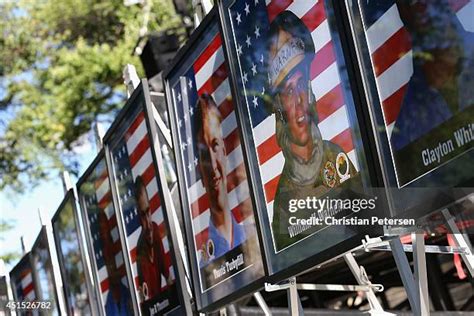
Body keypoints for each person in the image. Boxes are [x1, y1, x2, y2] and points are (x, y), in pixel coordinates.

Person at [266, 11, 358, 251]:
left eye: (301, 84)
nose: (298, 101)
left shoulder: (334, 155)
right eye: (287, 92)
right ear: (278, 108)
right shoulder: (285, 200)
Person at [194, 94, 247, 263]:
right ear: (199, 170)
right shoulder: (205, 265)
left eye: (215, 146)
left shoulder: (253, 237)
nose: (213, 165)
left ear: (224, 153)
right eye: (203, 153)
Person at [134, 175, 172, 301]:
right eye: (143, 215)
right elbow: (145, 299)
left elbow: (168, 276)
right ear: (138, 218)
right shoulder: (140, 251)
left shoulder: (155, 230)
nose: (148, 222)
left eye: (148, 212)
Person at [97, 211, 133, 315]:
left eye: (108, 236)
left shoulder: (127, 294)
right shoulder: (108, 305)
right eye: (103, 239)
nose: (108, 253)